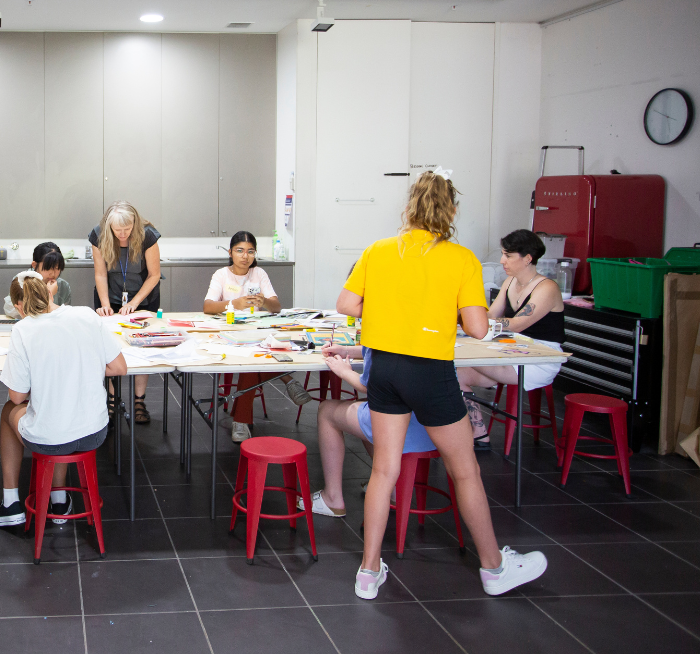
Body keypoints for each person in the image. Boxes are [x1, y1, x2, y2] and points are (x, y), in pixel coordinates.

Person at [339, 170, 546, 600]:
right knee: (465, 470)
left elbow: (347, 305)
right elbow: (475, 324)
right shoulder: (461, 258)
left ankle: (368, 571)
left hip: (386, 369)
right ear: (450, 209)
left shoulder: (379, 250)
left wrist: (393, 307)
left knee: (383, 470)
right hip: (429, 371)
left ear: (410, 206)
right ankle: (494, 569)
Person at [0, 271, 126, 527]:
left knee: (10, 410)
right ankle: (59, 499)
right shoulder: (86, 314)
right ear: (49, 291)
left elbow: (18, 395)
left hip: (51, 440)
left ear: (19, 305)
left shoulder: (23, 329)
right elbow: (119, 367)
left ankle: (10, 503)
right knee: (62, 410)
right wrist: (82, 366)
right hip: (95, 432)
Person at [457, 229, 565, 448]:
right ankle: (479, 433)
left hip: (539, 357)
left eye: (508, 255)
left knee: (453, 360)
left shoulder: (547, 288)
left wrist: (474, 321)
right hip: (512, 349)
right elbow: (489, 315)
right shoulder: (510, 282)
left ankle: (470, 434)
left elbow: (518, 323)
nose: (502, 261)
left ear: (527, 259)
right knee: (457, 373)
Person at [303, 344, 436, 517]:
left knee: (327, 410)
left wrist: (343, 371)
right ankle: (392, 486)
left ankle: (332, 498)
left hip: (399, 425)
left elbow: (368, 385)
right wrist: (347, 351)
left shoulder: (382, 328)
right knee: (369, 406)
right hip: (436, 426)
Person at [202, 231, 309, 442]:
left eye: (250, 251)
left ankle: (241, 421)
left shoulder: (258, 273)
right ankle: (285, 377)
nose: (245, 256)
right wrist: (234, 303)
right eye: (240, 251)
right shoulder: (222, 275)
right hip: (229, 333)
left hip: (257, 333)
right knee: (251, 362)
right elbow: (208, 306)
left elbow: (276, 306)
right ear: (231, 252)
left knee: (252, 360)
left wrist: (264, 303)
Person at [89, 201, 160, 424]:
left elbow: (154, 275)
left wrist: (136, 302)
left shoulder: (148, 236)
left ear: (135, 224)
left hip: (143, 295)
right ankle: (110, 400)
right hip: (110, 294)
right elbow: (100, 274)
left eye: (127, 229)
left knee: (143, 346)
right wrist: (105, 304)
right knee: (108, 346)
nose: (122, 234)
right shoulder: (98, 236)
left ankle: (139, 401)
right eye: (117, 230)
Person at [3, 242, 72, 319]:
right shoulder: (23, 281)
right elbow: (10, 310)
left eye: (57, 268)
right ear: (35, 265)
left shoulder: (63, 286)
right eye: (47, 268)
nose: (52, 273)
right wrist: (48, 295)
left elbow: (65, 315)